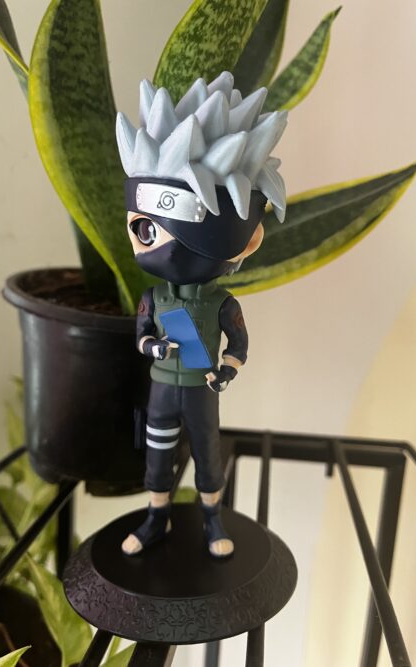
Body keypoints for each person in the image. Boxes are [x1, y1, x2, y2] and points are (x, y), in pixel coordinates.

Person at [116, 71, 287, 557]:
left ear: (248, 241)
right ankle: (157, 517)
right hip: (162, 389)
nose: (160, 247)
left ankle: (213, 519)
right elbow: (141, 333)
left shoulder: (223, 304)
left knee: (208, 454)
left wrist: (226, 370)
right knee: (157, 454)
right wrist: (153, 346)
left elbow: (239, 345)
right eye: (144, 230)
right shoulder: (154, 297)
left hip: (200, 390)